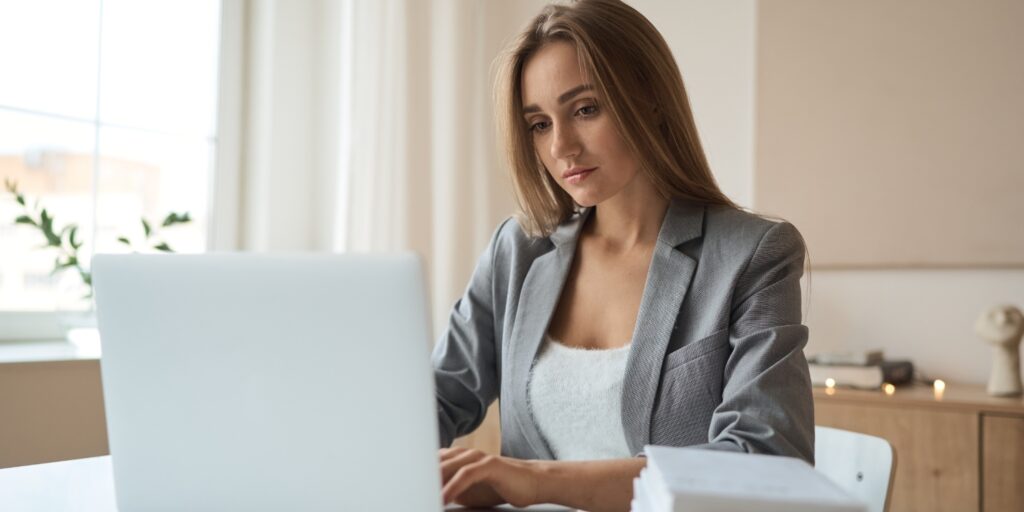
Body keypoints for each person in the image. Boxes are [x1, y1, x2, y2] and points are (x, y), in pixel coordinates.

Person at [433, 1, 813, 510]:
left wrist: (534, 481)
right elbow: (434, 400)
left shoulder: (753, 255)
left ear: (651, 101)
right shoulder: (518, 251)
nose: (562, 146)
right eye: (539, 124)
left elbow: (762, 460)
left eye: (585, 109)